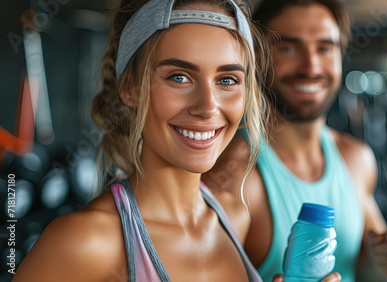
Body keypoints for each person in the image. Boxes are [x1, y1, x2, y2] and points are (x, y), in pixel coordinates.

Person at [13, 0, 287, 281]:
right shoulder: (86, 243)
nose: (208, 107)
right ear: (130, 88)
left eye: (227, 80)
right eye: (179, 77)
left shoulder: (235, 216)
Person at [202, 0, 387, 281]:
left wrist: (384, 263)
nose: (311, 66)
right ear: (257, 57)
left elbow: (363, 269)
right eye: (289, 47)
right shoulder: (234, 174)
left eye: (325, 48)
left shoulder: (357, 158)